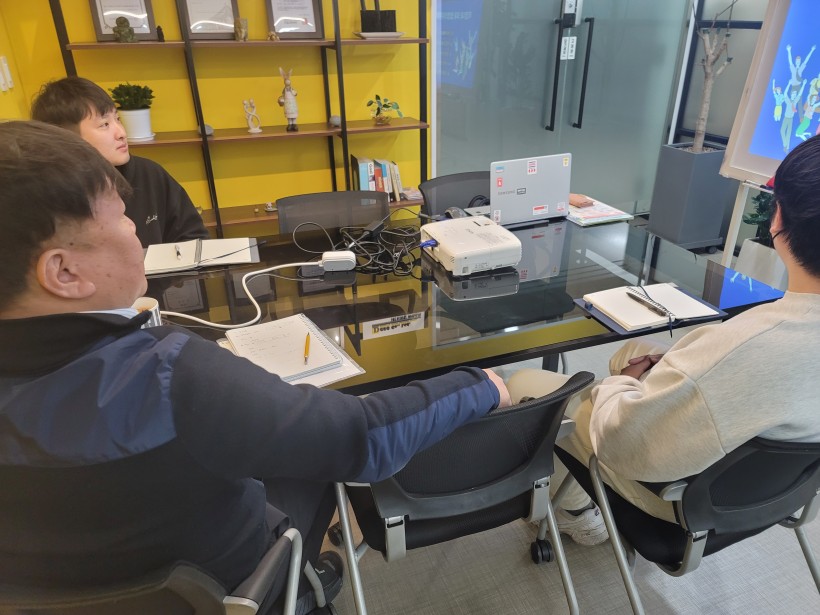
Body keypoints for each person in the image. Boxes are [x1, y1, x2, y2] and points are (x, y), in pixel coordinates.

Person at [0, 121, 511, 614]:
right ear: (63, 271)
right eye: (121, 220)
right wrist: (479, 385)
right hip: (235, 590)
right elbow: (365, 438)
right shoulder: (171, 375)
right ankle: (302, 588)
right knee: (316, 458)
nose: (137, 232)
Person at [511, 134, 820, 533]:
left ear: (777, 221)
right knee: (638, 350)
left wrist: (619, 386)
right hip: (781, 490)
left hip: (680, 498)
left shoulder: (749, 343)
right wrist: (675, 368)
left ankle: (576, 516)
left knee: (524, 383)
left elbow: (620, 442)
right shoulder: (762, 337)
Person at [30, 76, 209, 248]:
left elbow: (194, 237)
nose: (122, 133)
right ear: (67, 138)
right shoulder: (49, 196)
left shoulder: (149, 173)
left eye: (117, 119)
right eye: (104, 125)